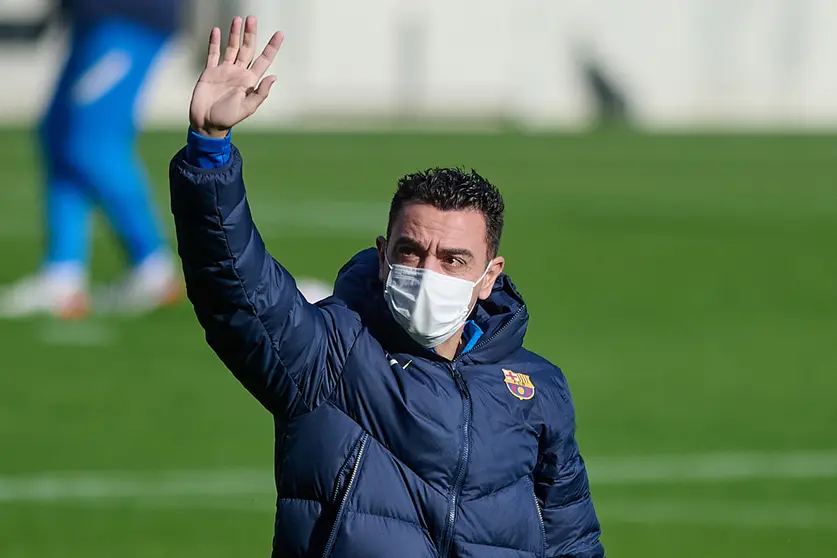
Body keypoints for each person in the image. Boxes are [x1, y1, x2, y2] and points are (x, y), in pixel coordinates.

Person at [171, 16, 604, 558]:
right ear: (382, 257)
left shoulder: (537, 388)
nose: (428, 272)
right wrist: (209, 150)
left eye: (454, 259)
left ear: (489, 277)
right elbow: (234, 285)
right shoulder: (328, 355)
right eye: (411, 252)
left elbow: (572, 539)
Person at [0, 0, 183, 318]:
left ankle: (153, 267)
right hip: (93, 17)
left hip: (129, 16)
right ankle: (62, 274)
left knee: (93, 144)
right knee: (58, 134)